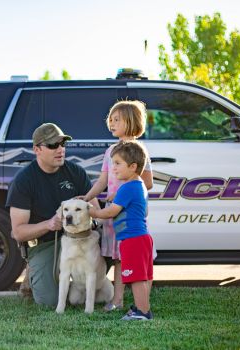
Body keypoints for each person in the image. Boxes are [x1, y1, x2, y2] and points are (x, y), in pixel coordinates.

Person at [6, 123, 98, 307]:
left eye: (63, 144)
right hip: (46, 244)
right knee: (50, 302)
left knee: (113, 239)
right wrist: (48, 224)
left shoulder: (75, 172)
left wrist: (94, 218)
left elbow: (95, 211)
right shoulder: (24, 180)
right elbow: (18, 232)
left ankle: (85, 285)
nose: (60, 150)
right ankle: (34, 272)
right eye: (53, 145)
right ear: (36, 149)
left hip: (80, 238)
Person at [80, 100, 153, 312]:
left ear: (130, 121)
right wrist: (86, 198)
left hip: (127, 214)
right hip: (113, 217)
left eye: (116, 120)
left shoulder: (139, 151)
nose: (111, 123)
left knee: (134, 260)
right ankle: (118, 300)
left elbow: (147, 183)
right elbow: (102, 181)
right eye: (110, 120)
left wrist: (119, 194)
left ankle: (136, 303)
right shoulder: (110, 151)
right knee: (118, 257)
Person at [89, 140, 154, 320]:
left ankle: (141, 313)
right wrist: (116, 196)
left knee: (136, 277)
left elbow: (111, 211)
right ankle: (142, 307)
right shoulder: (138, 184)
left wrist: (94, 212)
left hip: (132, 239)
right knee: (144, 275)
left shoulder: (126, 188)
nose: (114, 167)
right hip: (142, 238)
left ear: (133, 166)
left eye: (117, 163)